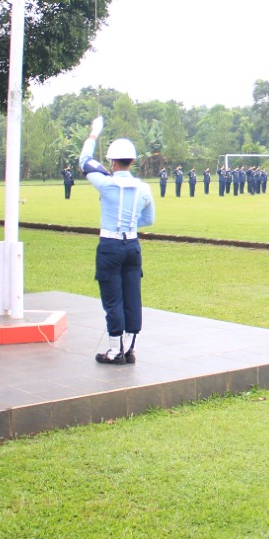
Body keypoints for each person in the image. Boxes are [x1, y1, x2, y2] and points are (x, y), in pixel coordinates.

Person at [80, 117, 155, 364]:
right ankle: (130, 348)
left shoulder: (106, 184)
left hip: (110, 245)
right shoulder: (143, 188)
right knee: (132, 296)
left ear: (112, 162)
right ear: (132, 161)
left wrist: (94, 133)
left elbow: (84, 162)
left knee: (113, 298)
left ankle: (115, 350)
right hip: (132, 245)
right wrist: (131, 224)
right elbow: (150, 219)